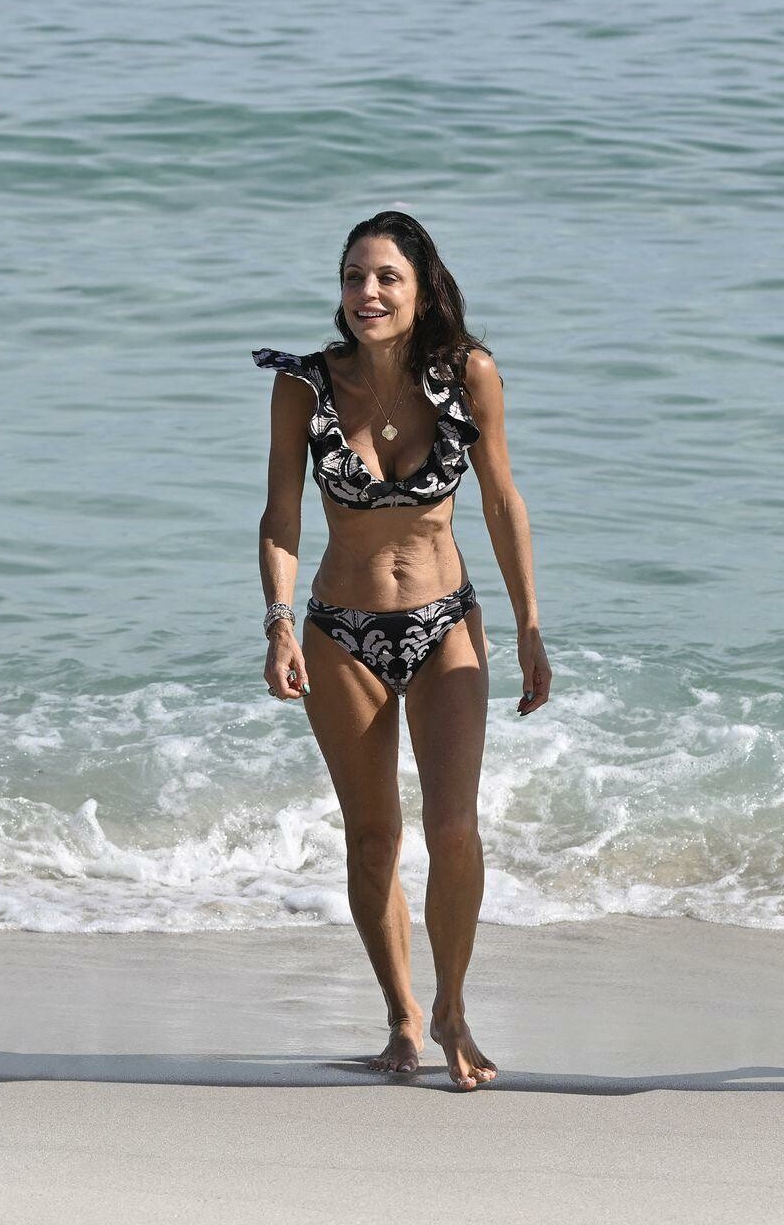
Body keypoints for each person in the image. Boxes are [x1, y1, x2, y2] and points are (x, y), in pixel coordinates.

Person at [255, 211, 551, 1091]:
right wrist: (277, 621)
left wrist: (530, 626)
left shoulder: (469, 376)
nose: (368, 293)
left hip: (444, 621)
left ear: (422, 289)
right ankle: (403, 1015)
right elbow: (281, 514)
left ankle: (454, 1006)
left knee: (453, 827)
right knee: (372, 835)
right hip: (340, 632)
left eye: (387, 277)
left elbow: (501, 501)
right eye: (354, 277)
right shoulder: (305, 388)